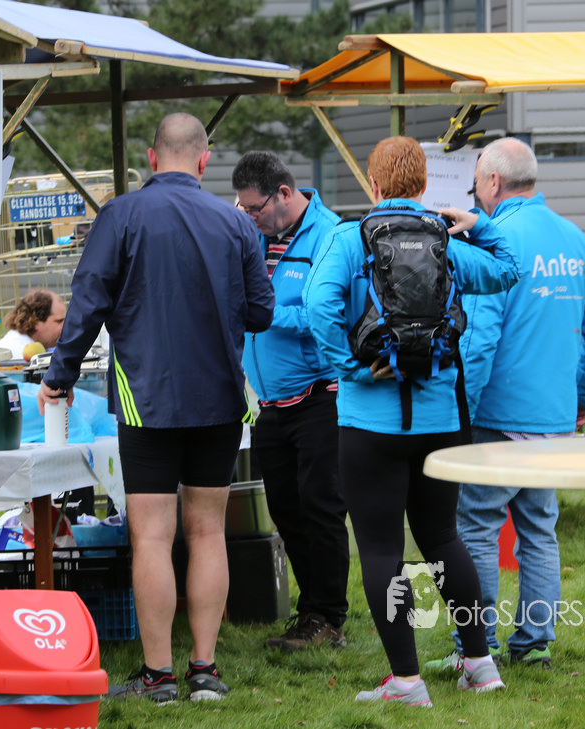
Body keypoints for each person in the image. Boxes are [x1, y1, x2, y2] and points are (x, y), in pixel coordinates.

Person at [37, 112, 274, 703]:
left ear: (151, 157)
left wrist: (59, 376)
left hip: (148, 399)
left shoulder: (120, 215)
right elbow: (261, 312)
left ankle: (159, 676)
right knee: (209, 531)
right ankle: (205, 670)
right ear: (204, 160)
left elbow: (87, 304)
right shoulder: (236, 222)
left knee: (151, 537)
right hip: (220, 398)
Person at [303, 136, 519, 707]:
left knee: (381, 550)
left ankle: (406, 681)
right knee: (444, 537)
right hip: (442, 420)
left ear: (373, 184)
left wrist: (351, 367)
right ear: (424, 185)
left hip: (369, 425)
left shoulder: (348, 238)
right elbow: (507, 271)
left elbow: (317, 305)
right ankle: (481, 665)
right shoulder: (444, 239)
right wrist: (479, 224)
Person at [424, 137, 585, 673]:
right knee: (538, 529)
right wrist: (580, 398)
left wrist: (460, 411)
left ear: (492, 182)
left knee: (477, 526)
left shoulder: (496, 242)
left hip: (498, 414)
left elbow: (480, 341)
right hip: (552, 416)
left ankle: (476, 646)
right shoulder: (574, 238)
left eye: (476, 184)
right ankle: (534, 642)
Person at [231, 151, 349, 652]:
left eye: (255, 208)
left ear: (284, 193)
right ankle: (312, 608)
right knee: (284, 508)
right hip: (271, 401)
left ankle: (329, 617)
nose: (250, 217)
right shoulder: (255, 237)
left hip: (319, 395)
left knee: (319, 506)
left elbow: (328, 317)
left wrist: (263, 312)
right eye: (242, 208)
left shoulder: (330, 236)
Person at [0, 289, 67, 358]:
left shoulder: (34, 345)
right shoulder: (19, 355)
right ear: (35, 321)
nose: (65, 326)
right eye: (59, 321)